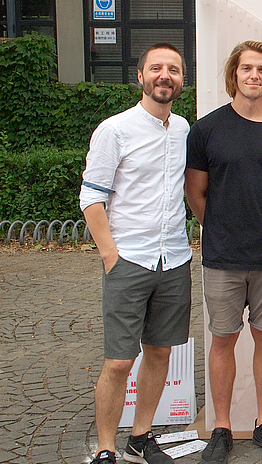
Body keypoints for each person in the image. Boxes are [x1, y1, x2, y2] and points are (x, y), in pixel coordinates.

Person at [185, 40, 262, 464]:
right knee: (223, 339)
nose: (254, 76)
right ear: (234, 73)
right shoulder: (207, 129)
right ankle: (220, 426)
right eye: (247, 69)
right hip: (223, 257)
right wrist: (222, 226)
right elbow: (195, 194)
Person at [81, 43, 191, 464]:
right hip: (129, 260)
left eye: (175, 70)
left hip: (174, 260)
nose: (166, 76)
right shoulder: (116, 129)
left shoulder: (183, 129)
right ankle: (106, 447)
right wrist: (111, 256)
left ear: (182, 79)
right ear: (140, 76)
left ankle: (140, 438)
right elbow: (91, 199)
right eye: (157, 68)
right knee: (118, 361)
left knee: (160, 352)